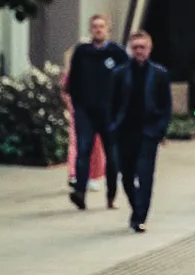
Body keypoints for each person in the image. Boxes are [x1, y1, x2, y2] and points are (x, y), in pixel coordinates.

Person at [109, 30, 172, 233]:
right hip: (125, 131)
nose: (139, 51)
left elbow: (166, 105)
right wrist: (112, 126)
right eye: (135, 47)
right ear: (130, 49)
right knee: (126, 175)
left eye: (142, 47)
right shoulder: (119, 74)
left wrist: (160, 130)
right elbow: (111, 103)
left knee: (145, 175)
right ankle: (136, 206)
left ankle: (140, 216)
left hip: (148, 133)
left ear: (149, 49)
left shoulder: (159, 74)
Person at [65, 13, 128, 210]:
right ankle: (80, 193)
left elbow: (127, 82)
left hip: (110, 113)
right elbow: (72, 81)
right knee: (83, 150)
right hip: (86, 110)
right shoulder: (82, 52)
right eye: (94, 26)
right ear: (90, 29)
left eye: (101, 26)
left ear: (108, 29)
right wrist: (77, 103)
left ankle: (111, 197)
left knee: (112, 155)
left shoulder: (117, 53)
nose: (98, 30)